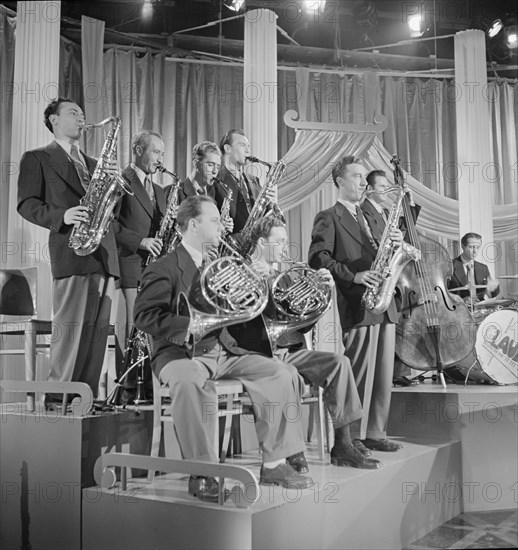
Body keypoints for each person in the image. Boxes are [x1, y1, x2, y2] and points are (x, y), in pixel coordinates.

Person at [133, 195, 313, 502]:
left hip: (222, 350)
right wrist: (187, 326)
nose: (222, 226)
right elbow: (144, 316)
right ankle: (203, 473)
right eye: (215, 220)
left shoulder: (217, 266)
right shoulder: (164, 267)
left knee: (280, 372)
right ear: (193, 224)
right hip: (181, 353)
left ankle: (274, 463)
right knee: (189, 383)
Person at [229, 216, 382, 470]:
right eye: (278, 242)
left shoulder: (285, 277)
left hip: (290, 351)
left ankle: (343, 445)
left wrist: (323, 292)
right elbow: (236, 317)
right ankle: (293, 452)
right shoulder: (241, 272)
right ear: (260, 243)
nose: (284, 248)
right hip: (258, 354)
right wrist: (258, 282)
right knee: (286, 374)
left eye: (286, 242)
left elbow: (301, 324)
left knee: (339, 363)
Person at [17, 98, 120, 408]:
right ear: (53, 119)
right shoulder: (36, 158)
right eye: (73, 113)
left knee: (96, 335)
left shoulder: (92, 164)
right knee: (71, 331)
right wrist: (63, 216)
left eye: (82, 114)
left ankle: (83, 398)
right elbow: (26, 204)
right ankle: (56, 397)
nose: (81, 118)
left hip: (103, 253)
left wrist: (113, 189)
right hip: (72, 250)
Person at [308, 156, 404, 454]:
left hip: (384, 300)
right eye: (357, 177)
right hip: (358, 300)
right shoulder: (328, 216)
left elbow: (383, 250)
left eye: (365, 177)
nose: (364, 182)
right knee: (360, 370)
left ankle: (376, 430)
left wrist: (396, 242)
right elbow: (318, 258)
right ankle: (352, 438)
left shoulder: (374, 216)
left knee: (384, 372)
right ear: (340, 181)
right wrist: (355, 275)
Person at [112, 130, 167, 401]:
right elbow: (109, 225)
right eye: (156, 152)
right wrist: (141, 241)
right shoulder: (122, 180)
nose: (160, 159)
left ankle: (146, 388)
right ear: (137, 149)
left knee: (149, 328)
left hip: (153, 269)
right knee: (131, 328)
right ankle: (126, 388)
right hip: (130, 263)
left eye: (162, 154)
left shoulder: (159, 190)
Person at [363, 169, 421, 387]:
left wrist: (411, 206)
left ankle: (396, 371)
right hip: (377, 274)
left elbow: (404, 230)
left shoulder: (386, 211)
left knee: (395, 323)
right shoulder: (363, 211)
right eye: (382, 186)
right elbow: (371, 239)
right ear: (368, 189)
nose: (386, 189)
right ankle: (382, 375)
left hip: (390, 275)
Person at [214, 129, 262, 235]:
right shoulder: (215, 181)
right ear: (227, 148)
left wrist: (270, 202)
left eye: (248, 146)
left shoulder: (255, 181)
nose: (248, 151)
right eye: (242, 145)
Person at [448, 232, 499, 303]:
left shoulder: (483, 268)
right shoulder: (450, 266)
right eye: (471, 247)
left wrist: (493, 288)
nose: (475, 251)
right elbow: (442, 293)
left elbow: (491, 295)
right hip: (458, 309)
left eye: (478, 247)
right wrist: (460, 300)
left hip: (480, 309)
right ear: (463, 246)